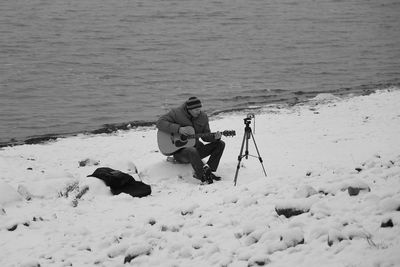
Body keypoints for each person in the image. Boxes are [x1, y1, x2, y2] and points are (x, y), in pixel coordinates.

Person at [156, 96, 225, 184]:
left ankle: (209, 171)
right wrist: (178, 129)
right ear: (189, 109)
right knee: (191, 150)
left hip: (196, 150)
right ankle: (201, 175)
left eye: (200, 109)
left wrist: (215, 137)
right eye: (196, 110)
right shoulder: (176, 113)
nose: (199, 111)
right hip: (181, 154)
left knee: (220, 144)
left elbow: (206, 137)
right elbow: (159, 123)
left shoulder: (203, 117)